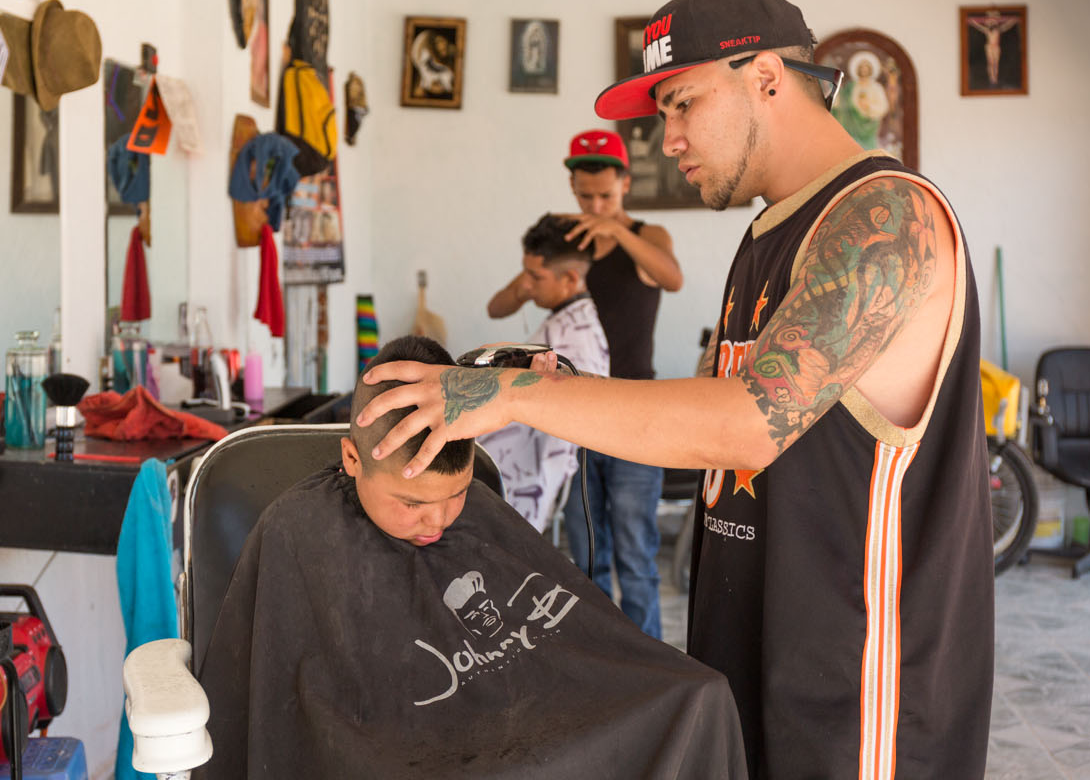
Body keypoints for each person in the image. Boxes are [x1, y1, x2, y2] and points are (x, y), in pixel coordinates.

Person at [362, 0, 993, 779]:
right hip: (756, 655)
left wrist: (514, 397)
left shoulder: (885, 218)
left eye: (681, 103)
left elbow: (751, 421)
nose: (668, 140)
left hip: (858, 691)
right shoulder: (766, 233)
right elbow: (708, 425)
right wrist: (562, 381)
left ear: (764, 76)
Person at [196, 335, 747, 778]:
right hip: (395, 747)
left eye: (455, 495)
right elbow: (287, 705)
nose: (437, 520)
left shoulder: (479, 511)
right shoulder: (296, 530)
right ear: (352, 458)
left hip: (502, 728)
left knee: (696, 696)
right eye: (411, 501)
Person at [487, 128, 681, 639]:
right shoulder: (565, 242)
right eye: (585, 195)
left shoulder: (648, 236)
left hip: (640, 415)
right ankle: (598, 665)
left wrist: (618, 232)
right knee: (586, 551)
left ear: (625, 184)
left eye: (605, 195)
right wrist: (533, 276)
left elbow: (673, 277)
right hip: (574, 418)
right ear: (572, 188)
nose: (594, 205)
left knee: (637, 555)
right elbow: (499, 306)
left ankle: (649, 670)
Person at [478, 214, 607, 535]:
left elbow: (576, 416)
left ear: (570, 279)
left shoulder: (578, 339)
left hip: (529, 475)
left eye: (535, 277)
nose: (524, 285)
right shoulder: (564, 322)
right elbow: (495, 307)